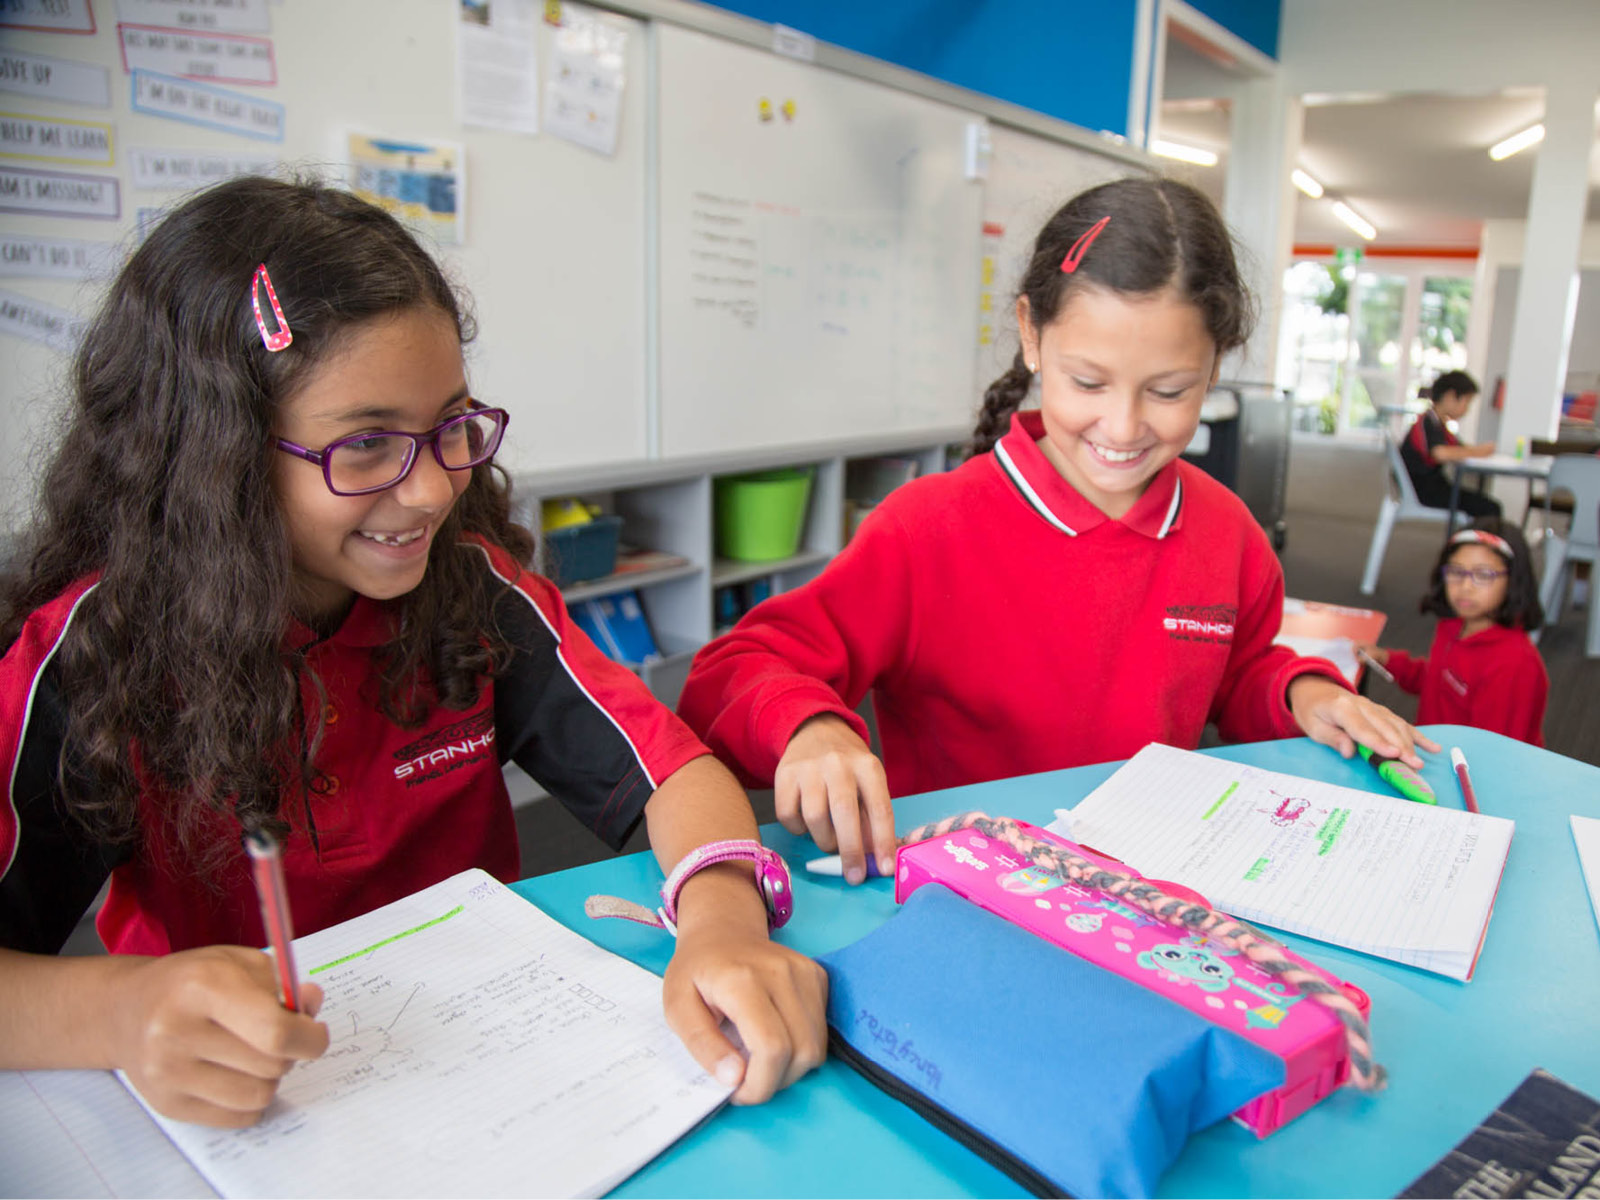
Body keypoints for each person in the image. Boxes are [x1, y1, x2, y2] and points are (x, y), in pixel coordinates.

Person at [0, 176, 824, 1127]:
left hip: (490, 1062)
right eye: (365, 446)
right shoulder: (92, 657)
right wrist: (121, 1012)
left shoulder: (474, 593)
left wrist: (723, 924)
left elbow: (670, 776)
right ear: (215, 457)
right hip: (242, 1101)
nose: (433, 490)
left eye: (449, 428)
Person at [677, 177, 1436, 884]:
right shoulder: (929, 527)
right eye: (1088, 382)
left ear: (1215, 367)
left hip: (1147, 885)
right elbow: (731, 673)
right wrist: (808, 726)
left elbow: (1236, 677)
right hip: (970, 887)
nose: (1124, 424)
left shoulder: (1226, 533)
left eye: (1169, 390)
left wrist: (1300, 689)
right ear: (1032, 337)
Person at [1358, 520, 1547, 746]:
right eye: (1456, 571)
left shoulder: (1514, 664)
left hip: (1468, 770)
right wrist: (1387, 659)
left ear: (1513, 580)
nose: (1465, 586)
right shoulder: (1454, 625)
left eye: (1484, 574)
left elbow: (1495, 752)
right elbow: (1438, 681)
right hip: (1437, 751)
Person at [1401, 370, 1502, 518]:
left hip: (1432, 487)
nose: (1467, 409)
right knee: (1490, 508)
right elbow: (1440, 453)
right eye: (1466, 402)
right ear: (1450, 396)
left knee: (1484, 504)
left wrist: (1478, 450)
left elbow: (1457, 448)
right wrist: (1477, 452)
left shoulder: (1438, 424)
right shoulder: (1428, 422)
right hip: (1425, 490)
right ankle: (1475, 540)